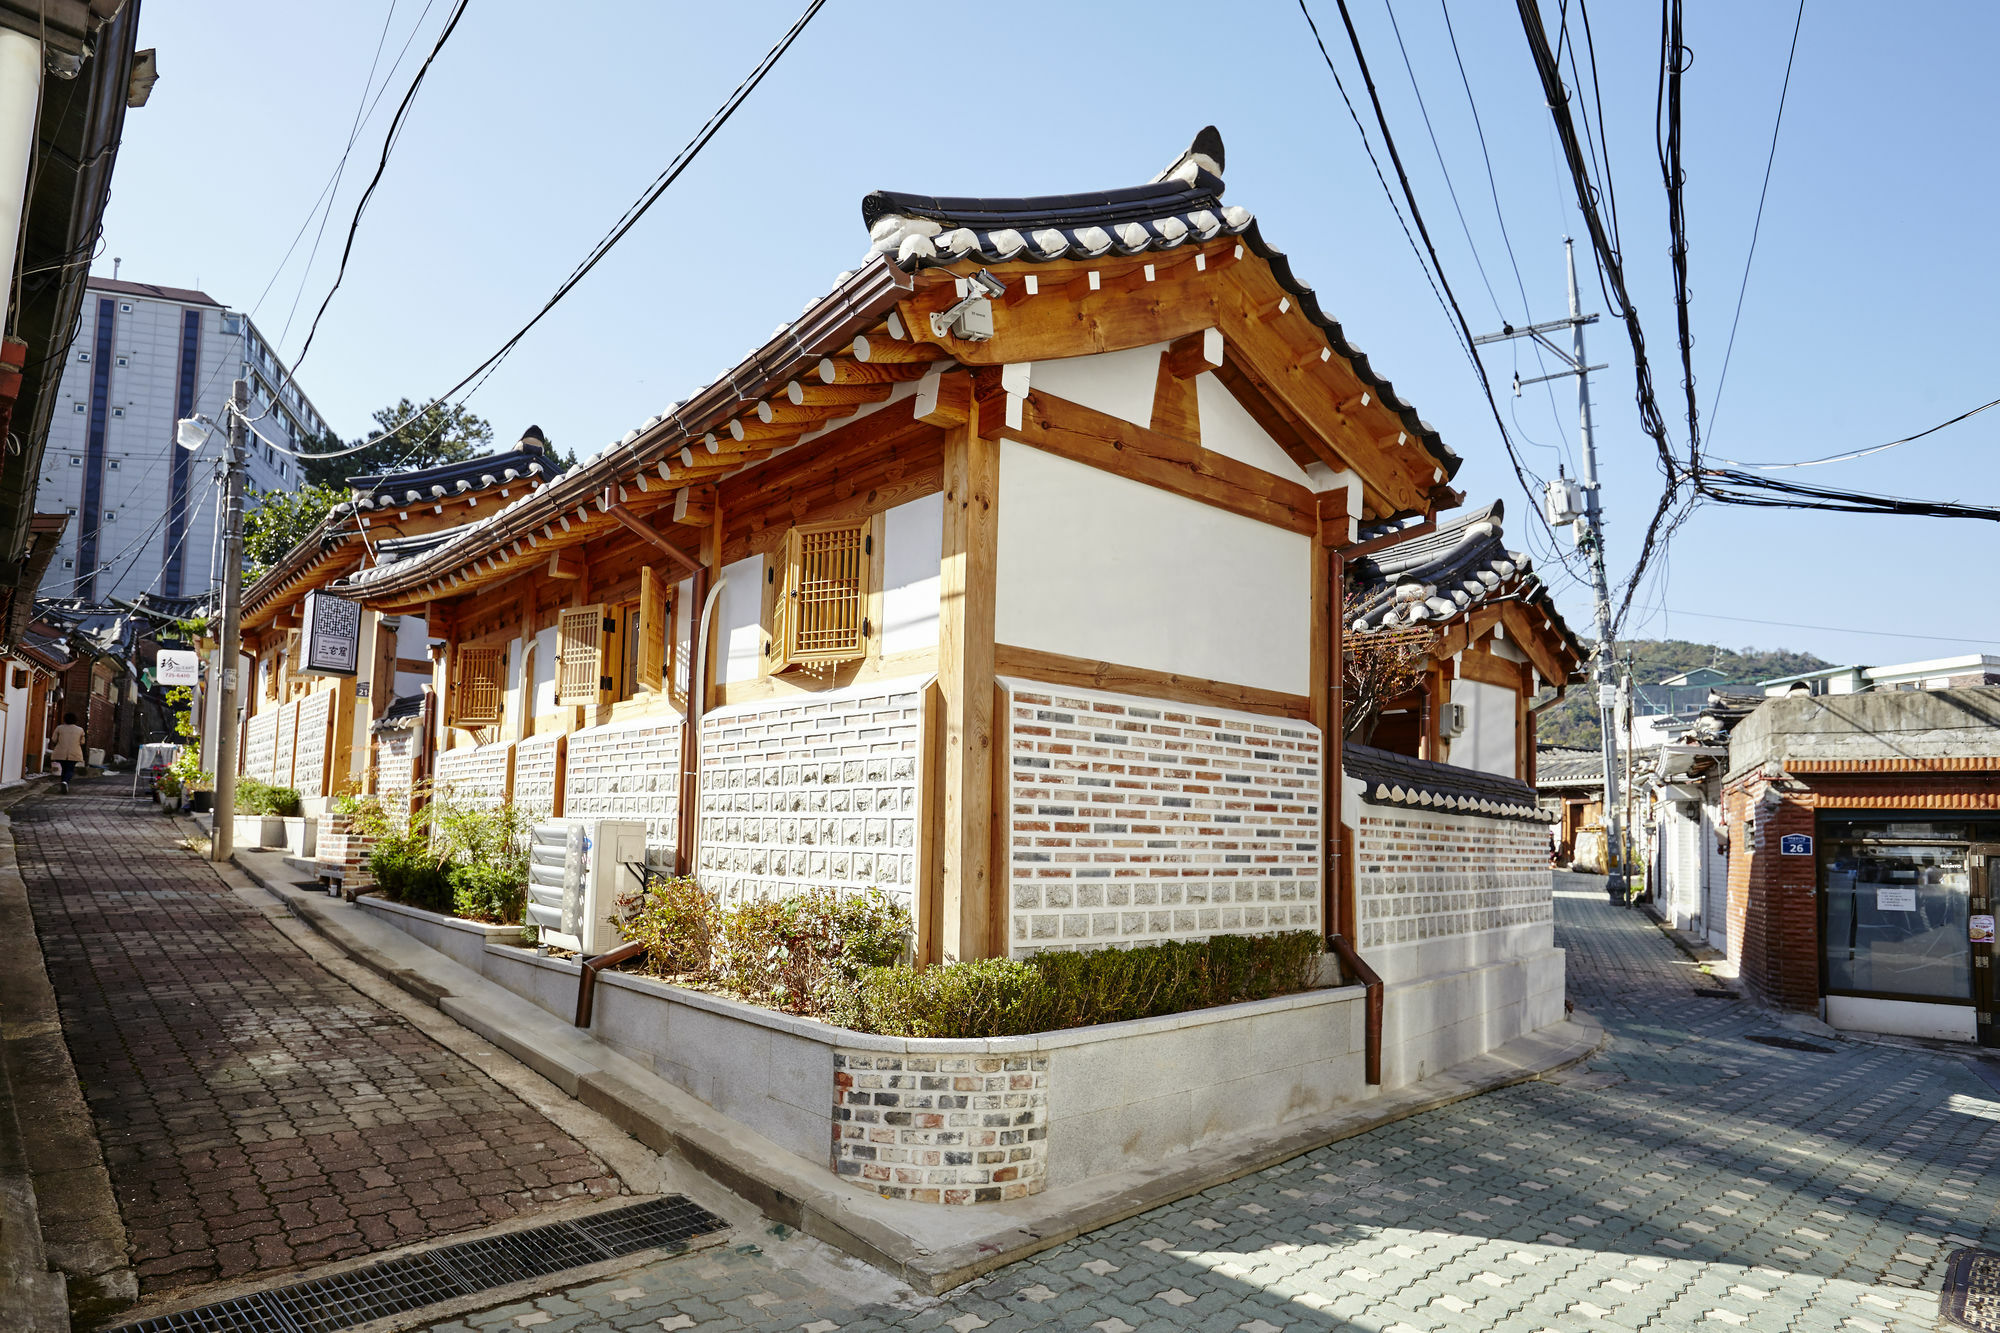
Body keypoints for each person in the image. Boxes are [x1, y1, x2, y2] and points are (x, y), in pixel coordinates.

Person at [50, 712, 85, 793]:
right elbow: (82, 742)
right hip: (74, 753)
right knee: (70, 769)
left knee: (63, 769)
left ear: (64, 719)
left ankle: (63, 783)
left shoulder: (59, 728)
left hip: (60, 752)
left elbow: (54, 739)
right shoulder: (80, 730)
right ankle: (65, 782)